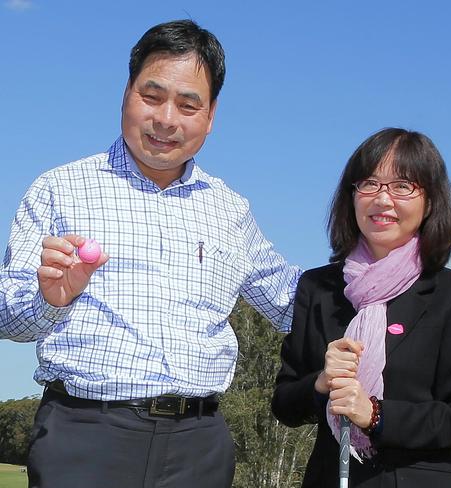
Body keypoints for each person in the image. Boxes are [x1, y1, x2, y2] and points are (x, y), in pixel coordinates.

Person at [0, 20, 300, 488]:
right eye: (152, 95)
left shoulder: (231, 209)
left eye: (188, 104)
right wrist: (49, 299)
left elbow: (292, 303)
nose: (166, 119)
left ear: (211, 114)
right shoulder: (59, 189)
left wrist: (390, 273)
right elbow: (8, 318)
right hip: (85, 437)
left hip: (200, 448)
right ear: (126, 91)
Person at [272, 128, 451, 487]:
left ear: (430, 201)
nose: (383, 200)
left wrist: (374, 414)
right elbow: (285, 404)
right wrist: (322, 382)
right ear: (352, 196)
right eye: (369, 184)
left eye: (403, 186)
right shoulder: (318, 287)